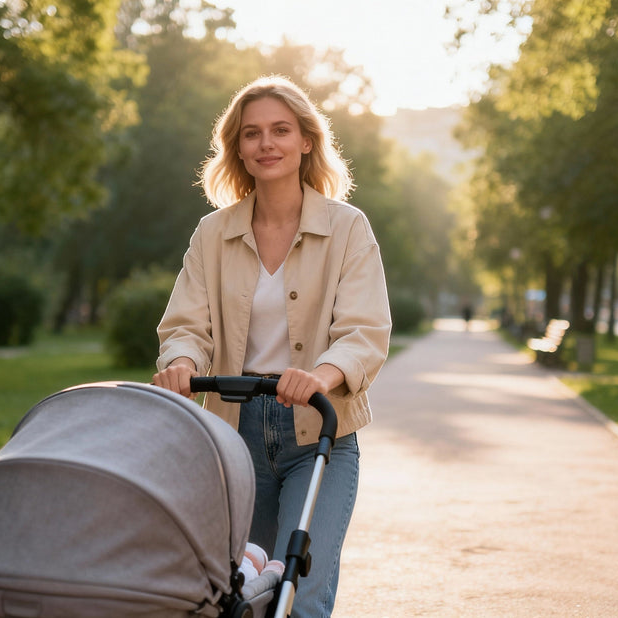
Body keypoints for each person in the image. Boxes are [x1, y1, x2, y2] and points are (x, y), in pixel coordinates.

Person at [152, 74, 391, 616]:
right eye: (252, 133)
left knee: (300, 595)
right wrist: (182, 361)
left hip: (317, 431)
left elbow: (364, 329)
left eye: (281, 130)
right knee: (239, 595)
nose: (267, 144)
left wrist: (320, 375)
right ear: (237, 146)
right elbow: (187, 322)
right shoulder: (212, 234)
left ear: (307, 140)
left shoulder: (348, 228)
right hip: (233, 437)